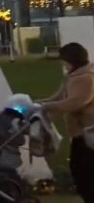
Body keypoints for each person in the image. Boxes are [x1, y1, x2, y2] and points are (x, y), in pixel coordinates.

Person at [40, 42, 94, 203]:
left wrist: (46, 107)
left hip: (87, 134)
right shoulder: (72, 77)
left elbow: (75, 102)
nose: (63, 64)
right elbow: (58, 97)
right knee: (80, 172)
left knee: (84, 173)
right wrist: (37, 104)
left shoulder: (85, 78)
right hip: (79, 134)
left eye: (64, 60)